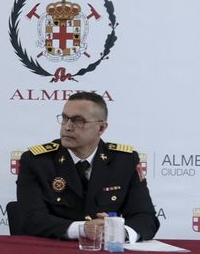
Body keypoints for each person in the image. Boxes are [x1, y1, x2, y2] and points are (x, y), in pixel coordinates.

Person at [13, 91, 159, 243]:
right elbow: (31, 219)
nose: (67, 127)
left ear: (101, 128)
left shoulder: (125, 161)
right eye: (64, 118)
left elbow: (145, 217)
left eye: (78, 121)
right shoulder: (36, 161)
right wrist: (83, 229)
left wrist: (119, 232)